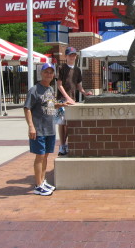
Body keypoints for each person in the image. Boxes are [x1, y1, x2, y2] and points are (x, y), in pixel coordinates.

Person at [24, 63, 69, 196]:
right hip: (39, 129)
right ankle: (38, 185)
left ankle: (42, 181)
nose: (48, 74)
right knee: (40, 156)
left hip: (50, 128)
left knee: (46, 156)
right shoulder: (34, 90)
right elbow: (27, 108)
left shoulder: (49, 89)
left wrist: (60, 104)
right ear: (41, 73)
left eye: (51, 72)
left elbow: (49, 104)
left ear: (53, 75)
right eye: (46, 72)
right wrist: (31, 126)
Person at [56, 46, 92, 155]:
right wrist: (67, 97)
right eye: (70, 55)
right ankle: (62, 146)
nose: (72, 57)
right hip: (62, 100)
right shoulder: (61, 67)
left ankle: (65, 144)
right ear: (66, 56)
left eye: (74, 55)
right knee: (62, 123)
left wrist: (85, 93)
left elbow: (79, 86)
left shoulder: (77, 70)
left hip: (73, 100)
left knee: (69, 123)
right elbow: (59, 85)